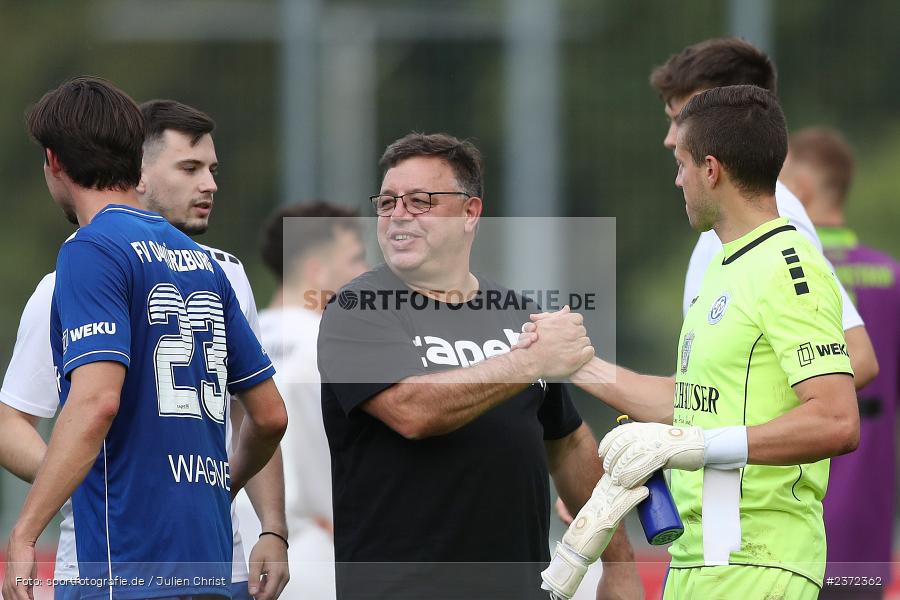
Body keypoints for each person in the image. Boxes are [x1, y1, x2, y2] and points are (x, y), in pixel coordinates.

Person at [550, 86, 859, 599]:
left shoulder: (789, 265)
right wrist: (579, 366)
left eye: (682, 163)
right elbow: (695, 403)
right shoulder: (721, 264)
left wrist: (693, 446)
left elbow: (835, 419)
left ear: (711, 170)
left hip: (760, 560)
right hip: (698, 560)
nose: (678, 179)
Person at [317, 133, 641, 599]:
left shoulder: (517, 314)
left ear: (470, 213)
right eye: (387, 202)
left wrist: (619, 564)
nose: (397, 215)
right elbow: (413, 412)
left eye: (421, 201)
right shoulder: (357, 307)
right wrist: (529, 361)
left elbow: (568, 443)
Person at [2, 76, 288, 600]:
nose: (209, 184)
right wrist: (222, 488)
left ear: (54, 162)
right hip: (209, 565)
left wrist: (26, 530)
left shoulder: (89, 253)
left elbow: (96, 401)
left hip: (126, 567)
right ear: (137, 164)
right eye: (190, 167)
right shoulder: (209, 265)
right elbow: (269, 415)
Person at [650, 37, 878, 389]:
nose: (670, 138)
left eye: (682, 118)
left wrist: (739, 437)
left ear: (729, 110)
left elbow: (857, 358)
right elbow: (710, 389)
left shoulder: (775, 214)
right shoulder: (723, 221)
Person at [781, 127, 900, 599]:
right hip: (867, 511)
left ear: (802, 190)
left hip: (787, 506)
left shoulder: (781, 269)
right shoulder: (892, 278)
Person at [236, 201, 368, 599]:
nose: (365, 272)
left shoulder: (235, 340)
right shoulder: (334, 347)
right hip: (310, 553)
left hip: (229, 547)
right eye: (355, 258)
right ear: (317, 271)